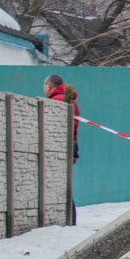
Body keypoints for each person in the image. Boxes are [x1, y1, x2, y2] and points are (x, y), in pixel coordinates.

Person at [43, 74, 79, 225]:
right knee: (64, 183)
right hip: (71, 146)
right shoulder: (69, 100)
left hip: (61, 147)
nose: (44, 89)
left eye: (44, 86)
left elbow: (59, 128)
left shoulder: (58, 100)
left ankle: (68, 220)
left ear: (50, 85)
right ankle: (70, 220)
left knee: (61, 185)